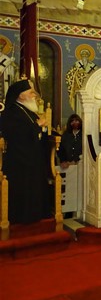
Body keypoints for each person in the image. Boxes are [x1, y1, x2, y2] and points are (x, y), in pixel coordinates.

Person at [0, 80, 50, 224]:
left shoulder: (28, 111)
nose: (34, 95)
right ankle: (22, 218)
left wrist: (43, 128)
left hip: (33, 158)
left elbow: (36, 130)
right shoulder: (11, 112)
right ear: (21, 96)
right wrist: (37, 125)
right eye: (31, 92)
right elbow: (16, 134)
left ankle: (36, 214)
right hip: (19, 160)